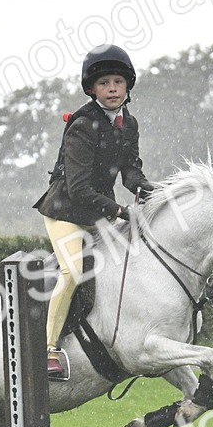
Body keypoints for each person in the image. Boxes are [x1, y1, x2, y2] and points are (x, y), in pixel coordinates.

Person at [32, 44, 155, 379]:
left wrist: (149, 190)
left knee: (132, 258)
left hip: (98, 209)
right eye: (104, 83)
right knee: (72, 270)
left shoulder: (129, 124)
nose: (112, 88)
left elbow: (130, 170)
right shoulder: (82, 125)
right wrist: (119, 210)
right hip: (65, 211)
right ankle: (48, 350)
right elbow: (78, 189)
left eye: (118, 81)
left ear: (127, 86)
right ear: (92, 89)